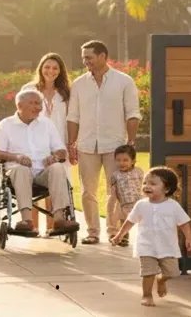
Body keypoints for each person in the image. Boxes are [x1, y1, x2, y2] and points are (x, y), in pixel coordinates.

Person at [67, 40, 141, 245]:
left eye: (88, 57)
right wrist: (71, 144)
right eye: (83, 58)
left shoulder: (124, 81)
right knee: (88, 192)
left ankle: (117, 233)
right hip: (86, 145)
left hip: (115, 146)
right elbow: (73, 116)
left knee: (116, 191)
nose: (85, 61)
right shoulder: (79, 84)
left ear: (102, 56)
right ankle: (92, 232)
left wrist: (131, 142)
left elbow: (133, 114)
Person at [0, 90, 81, 233]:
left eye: (38, 103)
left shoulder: (47, 124)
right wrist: (16, 157)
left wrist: (55, 157)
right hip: (16, 172)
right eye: (32, 103)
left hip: (42, 173)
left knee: (57, 167)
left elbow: (61, 150)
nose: (37, 107)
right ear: (19, 106)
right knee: (21, 169)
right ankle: (27, 221)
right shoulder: (6, 125)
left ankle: (59, 219)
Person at [110, 167, 191, 307]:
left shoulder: (173, 206)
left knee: (172, 272)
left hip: (167, 246)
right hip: (146, 246)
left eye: (153, 184)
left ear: (166, 189)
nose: (147, 186)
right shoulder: (141, 205)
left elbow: (184, 223)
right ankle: (147, 295)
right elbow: (130, 221)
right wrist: (120, 235)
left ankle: (161, 280)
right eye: (145, 183)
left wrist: (189, 238)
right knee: (148, 273)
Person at [20, 53, 71, 233]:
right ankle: (32, 226)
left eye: (55, 68)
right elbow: (21, 114)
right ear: (41, 68)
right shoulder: (29, 89)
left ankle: (52, 225)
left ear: (60, 71)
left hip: (58, 142)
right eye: (47, 67)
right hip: (35, 141)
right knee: (32, 184)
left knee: (55, 183)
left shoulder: (65, 92)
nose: (51, 71)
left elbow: (71, 118)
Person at [108, 144, 143, 248]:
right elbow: (114, 191)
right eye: (118, 160)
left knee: (143, 221)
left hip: (138, 201)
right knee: (124, 221)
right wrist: (116, 203)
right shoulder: (115, 175)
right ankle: (123, 237)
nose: (121, 163)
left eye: (125, 160)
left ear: (133, 161)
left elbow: (144, 185)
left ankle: (145, 239)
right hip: (124, 203)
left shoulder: (139, 172)